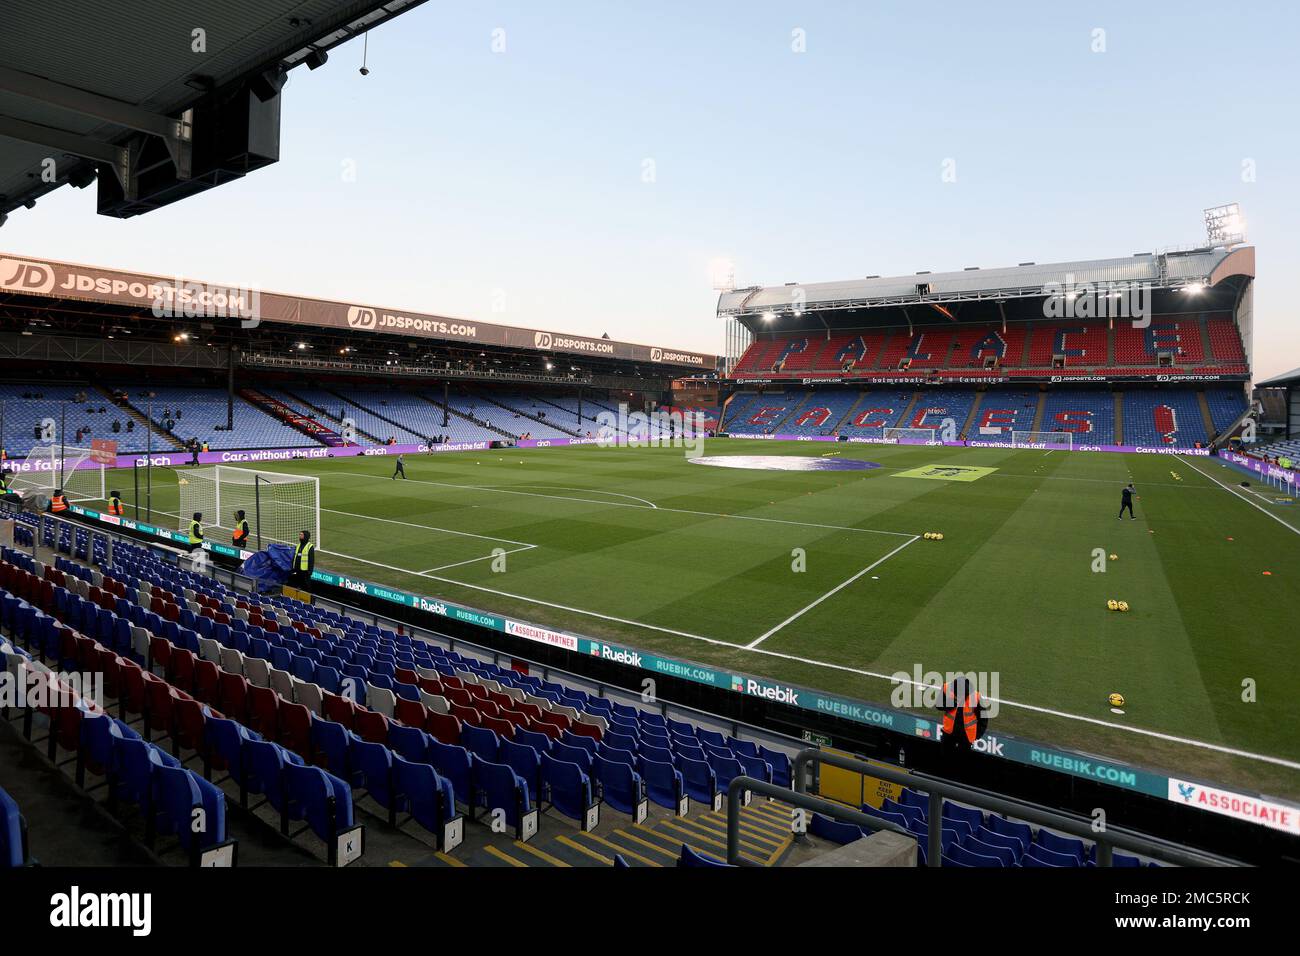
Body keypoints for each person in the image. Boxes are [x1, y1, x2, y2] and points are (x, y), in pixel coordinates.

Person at [938, 676, 987, 756]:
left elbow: (984, 718)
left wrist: (977, 735)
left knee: (962, 760)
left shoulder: (976, 697)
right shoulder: (946, 688)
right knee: (944, 756)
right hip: (949, 732)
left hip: (966, 735)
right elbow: (938, 705)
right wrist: (950, 705)